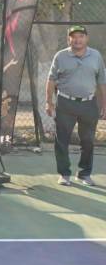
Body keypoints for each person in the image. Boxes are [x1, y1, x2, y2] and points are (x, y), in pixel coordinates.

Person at [46, 25, 106, 186]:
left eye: (81, 36)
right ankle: (64, 174)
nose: (77, 40)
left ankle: (84, 174)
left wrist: (104, 104)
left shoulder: (96, 56)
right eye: (74, 37)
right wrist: (48, 102)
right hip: (65, 103)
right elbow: (51, 80)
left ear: (87, 38)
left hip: (89, 104)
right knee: (62, 140)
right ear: (69, 39)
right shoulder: (60, 56)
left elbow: (102, 81)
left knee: (88, 141)